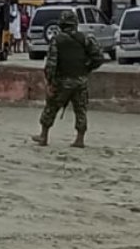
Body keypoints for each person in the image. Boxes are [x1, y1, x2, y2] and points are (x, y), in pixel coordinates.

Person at [32, 10, 102, 148]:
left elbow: (51, 64)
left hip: (62, 81)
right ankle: (79, 139)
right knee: (80, 109)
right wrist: (86, 69)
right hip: (80, 81)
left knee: (51, 108)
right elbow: (98, 58)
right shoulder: (85, 39)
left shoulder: (57, 40)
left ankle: (43, 136)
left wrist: (50, 82)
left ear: (62, 24)